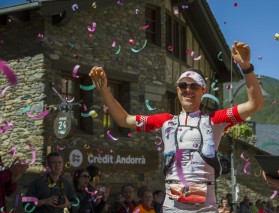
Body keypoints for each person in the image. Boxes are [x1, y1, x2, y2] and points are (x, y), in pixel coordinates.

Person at [89, 41, 264, 212]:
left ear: (203, 91)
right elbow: (123, 119)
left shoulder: (214, 119)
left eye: (193, 86)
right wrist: (104, 89)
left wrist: (246, 67)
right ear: (177, 90)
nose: (188, 89)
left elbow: (254, 104)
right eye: (183, 85)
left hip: (206, 207)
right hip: (172, 207)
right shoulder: (166, 120)